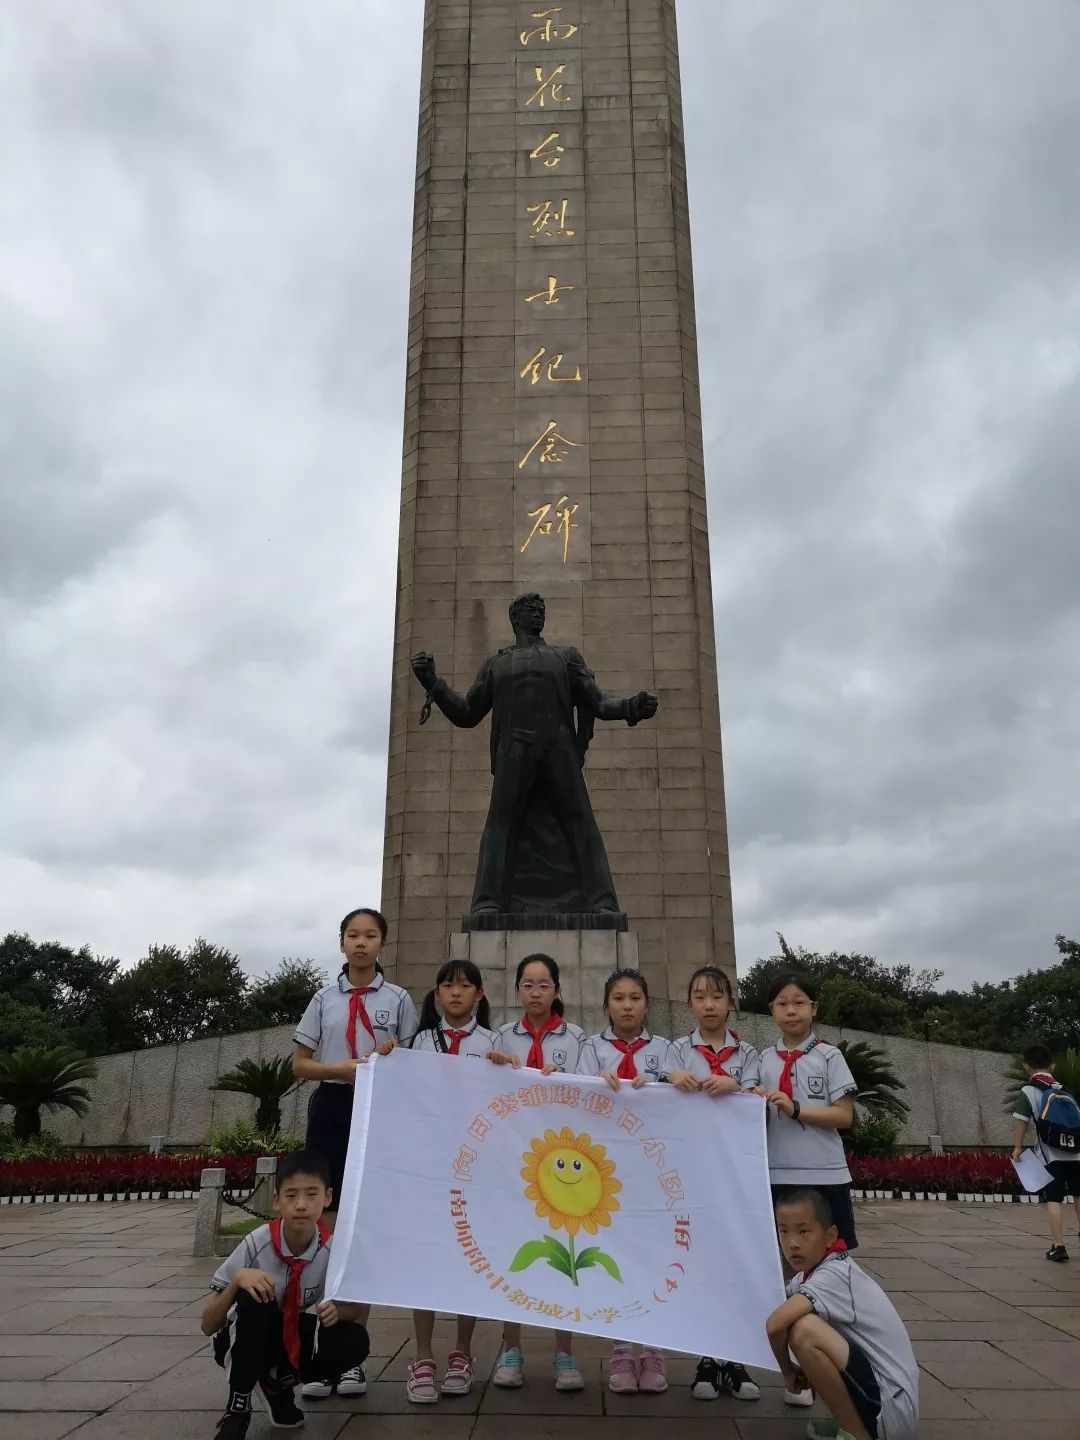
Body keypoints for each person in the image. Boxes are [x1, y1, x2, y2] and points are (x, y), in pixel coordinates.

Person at [291, 907, 419, 1399]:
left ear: (382, 944)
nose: (361, 943)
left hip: (379, 1111)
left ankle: (350, 1358)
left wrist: (388, 1065)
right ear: (341, 944)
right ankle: (317, 1356)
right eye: (353, 935)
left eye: (370, 935)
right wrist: (341, 1067)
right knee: (326, 1225)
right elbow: (300, 1064)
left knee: (361, 1228)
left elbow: (411, 1060)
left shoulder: (399, 1000)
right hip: (331, 1107)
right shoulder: (323, 999)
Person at [202, 1150, 370, 1440]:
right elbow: (207, 1323)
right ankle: (238, 1407)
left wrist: (338, 1312)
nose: (302, 1205)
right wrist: (237, 1281)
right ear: (277, 1201)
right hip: (242, 1337)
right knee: (254, 1298)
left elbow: (357, 1307)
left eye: (311, 1194)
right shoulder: (257, 1243)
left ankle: (277, 1384)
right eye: (291, 1195)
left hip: (286, 1338)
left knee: (354, 1341)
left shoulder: (329, 1251)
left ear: (327, 1198)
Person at [757, 971, 858, 1410]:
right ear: (772, 1011)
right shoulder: (762, 1059)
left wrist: (797, 1108)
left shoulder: (829, 1055)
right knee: (783, 1271)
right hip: (777, 1175)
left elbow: (845, 1116)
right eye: (782, 1003)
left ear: (814, 1009)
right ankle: (793, 1366)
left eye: (799, 1002)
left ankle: (830, 1363)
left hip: (824, 1175)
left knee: (827, 1275)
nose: (791, 1010)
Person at [487, 953, 587, 1392]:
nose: (535, 992)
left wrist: (565, 1077)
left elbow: (592, 1095)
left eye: (544, 985)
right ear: (517, 991)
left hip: (563, 1162)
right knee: (515, 1255)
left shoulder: (578, 1038)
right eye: (527, 985)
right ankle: (512, 1348)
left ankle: (564, 1353)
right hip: (515, 1160)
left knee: (563, 1257)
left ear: (557, 990)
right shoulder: (501, 1037)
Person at [664, 965, 762, 1405]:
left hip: (734, 1177)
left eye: (717, 996)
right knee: (700, 1267)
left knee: (735, 1264)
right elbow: (654, 1090)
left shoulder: (748, 1054)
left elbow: (762, 1097)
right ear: (690, 1004)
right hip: (692, 1176)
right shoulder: (676, 1051)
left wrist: (739, 1085)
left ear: (731, 1002)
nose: (709, 1004)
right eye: (700, 997)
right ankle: (705, 1357)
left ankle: (736, 1358)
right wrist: (670, 1078)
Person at [578, 968, 675, 1396]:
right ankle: (620, 1348)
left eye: (635, 997)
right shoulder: (590, 1049)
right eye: (618, 998)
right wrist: (596, 1084)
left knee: (655, 1256)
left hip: (652, 1171)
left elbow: (683, 1097)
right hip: (608, 1171)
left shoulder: (668, 1050)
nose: (627, 1006)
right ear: (607, 1006)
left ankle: (654, 1347)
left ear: (647, 1004)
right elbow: (574, 1096)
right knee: (613, 1257)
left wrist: (663, 1085)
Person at [406, 960, 498, 1403]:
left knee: (468, 1255)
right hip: (429, 1163)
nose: (456, 993)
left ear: (479, 995)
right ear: (437, 995)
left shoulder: (492, 1043)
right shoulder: (419, 1042)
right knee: (424, 1259)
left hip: (474, 1166)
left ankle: (462, 1352)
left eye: (465, 986)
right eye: (448, 986)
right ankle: (422, 1356)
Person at [766, 1189, 918, 1440]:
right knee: (797, 1319)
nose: (792, 1243)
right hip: (885, 1400)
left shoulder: (834, 1274)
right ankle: (849, 1424)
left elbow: (774, 1325)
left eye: (803, 1231)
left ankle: (857, 1434)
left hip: (893, 1409)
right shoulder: (813, 1273)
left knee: (803, 1331)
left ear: (830, 1236)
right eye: (784, 1231)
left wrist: (788, 1373)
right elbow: (773, 1304)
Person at [1012, 1043, 1080, 1262]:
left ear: (1026, 1067)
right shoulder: (1065, 1090)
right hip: (1077, 1153)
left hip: (1051, 1155)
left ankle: (1058, 1247)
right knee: (1079, 1195)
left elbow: (1021, 1121)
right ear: (1052, 1066)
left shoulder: (1027, 1091)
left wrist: (1017, 1147)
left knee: (1054, 1199)